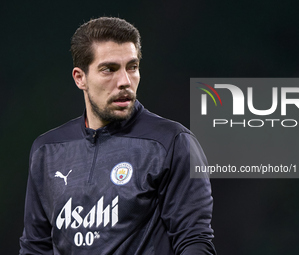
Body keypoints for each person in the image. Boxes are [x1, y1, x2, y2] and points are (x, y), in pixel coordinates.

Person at [19, 17, 216, 255]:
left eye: (132, 67)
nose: (125, 81)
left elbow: (194, 241)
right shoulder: (47, 150)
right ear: (80, 77)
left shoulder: (171, 142)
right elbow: (35, 247)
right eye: (109, 69)